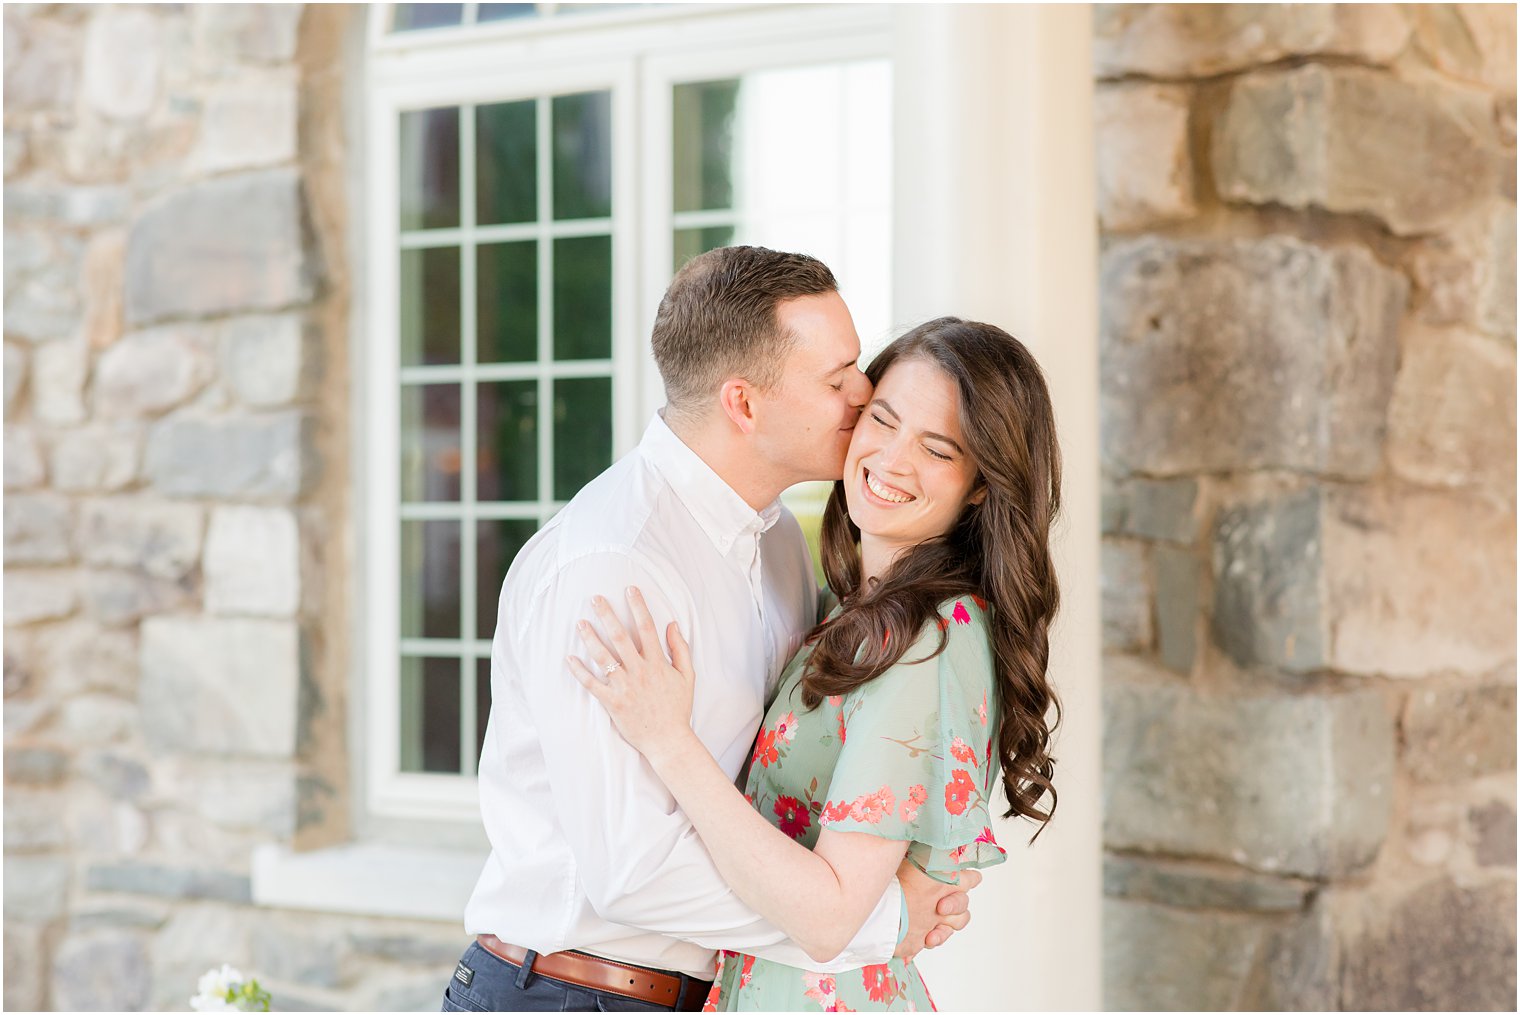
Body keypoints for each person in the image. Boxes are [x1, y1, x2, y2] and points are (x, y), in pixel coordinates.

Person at [446, 248, 979, 1014]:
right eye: (837, 379)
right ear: (744, 404)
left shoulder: (780, 546)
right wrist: (871, 923)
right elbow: (632, 870)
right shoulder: (615, 565)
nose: (865, 395)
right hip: (571, 995)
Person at [569, 317, 1063, 1011]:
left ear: (982, 484)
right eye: (882, 420)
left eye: (938, 449)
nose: (891, 459)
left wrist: (667, 740)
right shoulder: (844, 610)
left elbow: (828, 915)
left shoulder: (928, 639)